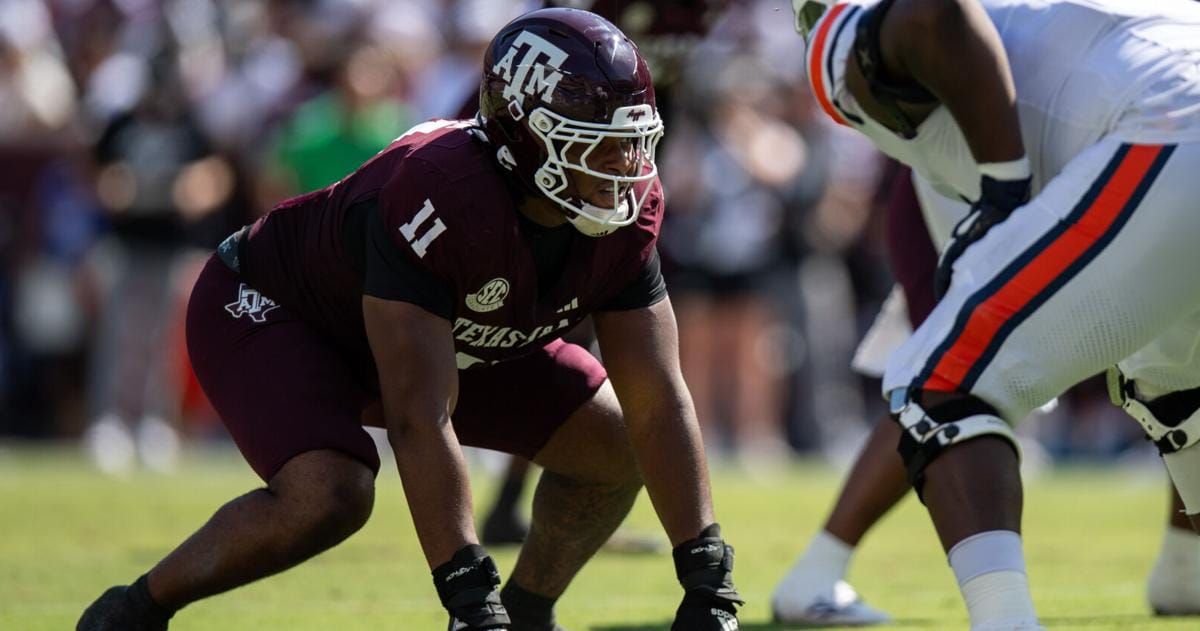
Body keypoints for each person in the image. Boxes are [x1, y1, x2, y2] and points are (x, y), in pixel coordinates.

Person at [76, 8, 743, 631]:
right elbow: (420, 417)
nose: (622, 171)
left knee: (613, 445)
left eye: (630, 146)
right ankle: (133, 609)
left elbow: (657, 393)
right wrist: (467, 597)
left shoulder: (625, 216)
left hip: (445, 332)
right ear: (522, 135)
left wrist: (707, 577)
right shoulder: (444, 194)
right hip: (280, 311)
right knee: (332, 491)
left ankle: (531, 611)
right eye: (594, 147)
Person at [781, 0, 1200, 628]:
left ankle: (1003, 620)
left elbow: (933, 12)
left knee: (941, 380)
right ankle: (1185, 571)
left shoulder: (847, 35)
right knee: (1178, 392)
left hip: (1167, 129)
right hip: (1157, 118)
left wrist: (1003, 185)